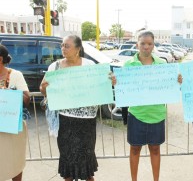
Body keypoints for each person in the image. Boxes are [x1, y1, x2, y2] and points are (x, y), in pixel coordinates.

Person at [111, 31, 182, 181]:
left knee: (155, 149)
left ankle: (156, 179)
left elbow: (170, 86)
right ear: (137, 44)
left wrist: (177, 81)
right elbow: (123, 88)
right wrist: (116, 83)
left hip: (157, 114)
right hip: (136, 114)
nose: (146, 46)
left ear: (153, 45)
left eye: (149, 43)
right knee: (135, 149)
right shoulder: (128, 65)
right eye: (143, 43)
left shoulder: (162, 65)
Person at [40, 35, 98, 181]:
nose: (63, 48)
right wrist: (45, 88)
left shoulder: (89, 65)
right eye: (62, 45)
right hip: (65, 121)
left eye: (67, 46)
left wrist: (110, 81)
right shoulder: (55, 66)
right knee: (68, 162)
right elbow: (42, 88)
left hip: (86, 121)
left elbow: (100, 87)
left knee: (87, 164)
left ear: (78, 49)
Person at [0, 44, 30, 181]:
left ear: (0, 59)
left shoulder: (16, 75)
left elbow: (26, 99)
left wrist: (10, 95)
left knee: (15, 161)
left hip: (13, 127)